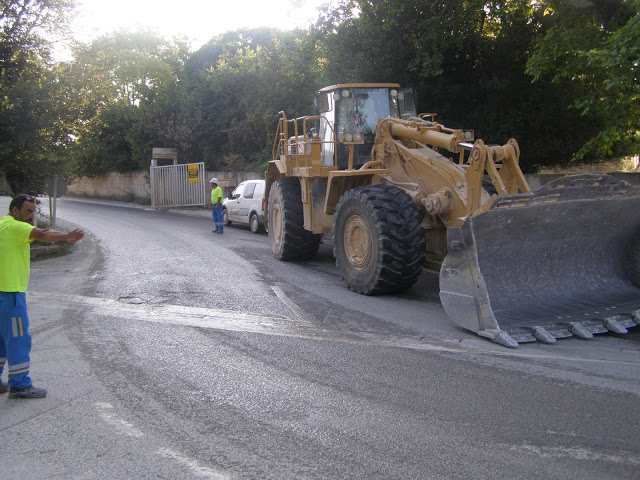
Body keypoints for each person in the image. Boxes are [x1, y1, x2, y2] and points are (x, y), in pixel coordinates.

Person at [0, 194, 84, 399]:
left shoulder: (2, 224)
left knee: (2, 339)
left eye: (33, 211)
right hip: (10, 293)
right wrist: (66, 237)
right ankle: (20, 384)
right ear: (15, 211)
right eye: (27, 211)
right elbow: (42, 234)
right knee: (18, 338)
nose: (31, 215)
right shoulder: (16, 227)